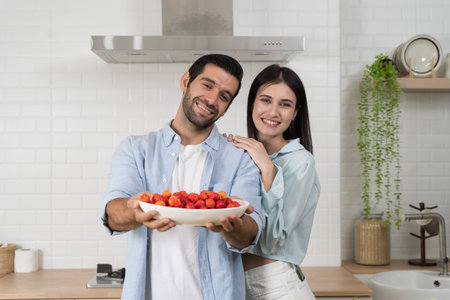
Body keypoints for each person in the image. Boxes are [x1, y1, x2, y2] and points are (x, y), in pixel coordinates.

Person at [101, 54, 263, 300]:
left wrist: (234, 225)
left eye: (224, 96)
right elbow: (113, 214)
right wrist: (135, 212)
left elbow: (251, 231)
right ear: (186, 81)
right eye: (207, 85)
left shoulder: (240, 158)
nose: (211, 100)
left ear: (227, 107)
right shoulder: (136, 149)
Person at [226, 64, 320, 299]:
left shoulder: (300, 162)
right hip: (237, 283)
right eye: (266, 100)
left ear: (296, 112)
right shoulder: (241, 155)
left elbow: (271, 240)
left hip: (277, 286)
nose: (273, 112)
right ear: (253, 104)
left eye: (285, 104)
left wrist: (268, 170)